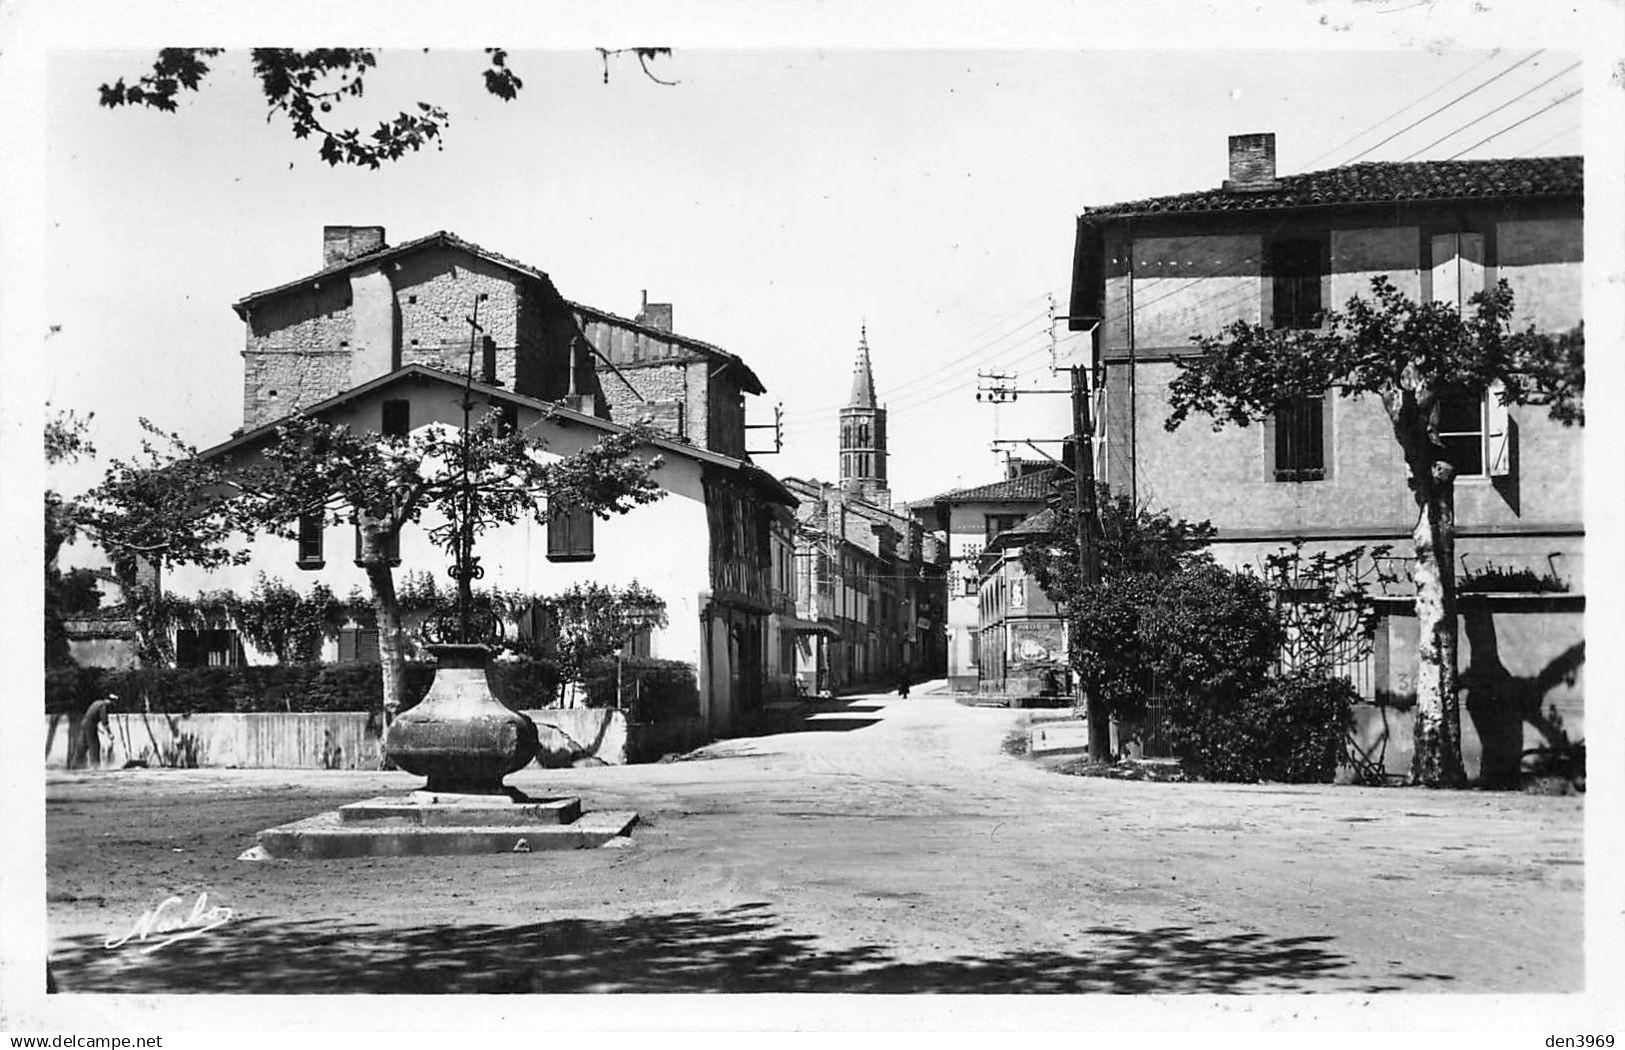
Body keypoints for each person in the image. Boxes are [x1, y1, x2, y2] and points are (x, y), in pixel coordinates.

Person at [78, 692, 116, 769]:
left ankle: (77, 765)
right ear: (108, 700)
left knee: (83, 746)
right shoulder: (103, 706)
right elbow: (104, 721)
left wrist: (98, 729)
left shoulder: (97, 703)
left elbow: (91, 715)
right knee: (94, 746)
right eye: (112, 701)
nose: (112, 704)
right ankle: (95, 766)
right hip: (90, 725)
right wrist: (109, 733)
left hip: (84, 724)